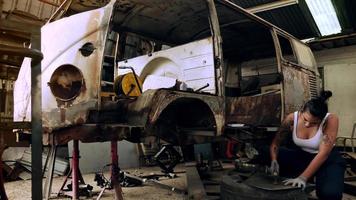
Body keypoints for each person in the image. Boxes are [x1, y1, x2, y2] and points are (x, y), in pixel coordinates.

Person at [269, 90, 346, 200]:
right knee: (263, 151)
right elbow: (275, 143)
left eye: (314, 123)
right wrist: (274, 160)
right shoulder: (291, 118)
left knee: (330, 194)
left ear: (322, 118)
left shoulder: (331, 119)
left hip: (327, 160)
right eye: (305, 119)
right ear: (301, 110)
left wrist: (302, 178)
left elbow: (323, 154)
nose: (307, 124)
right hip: (303, 157)